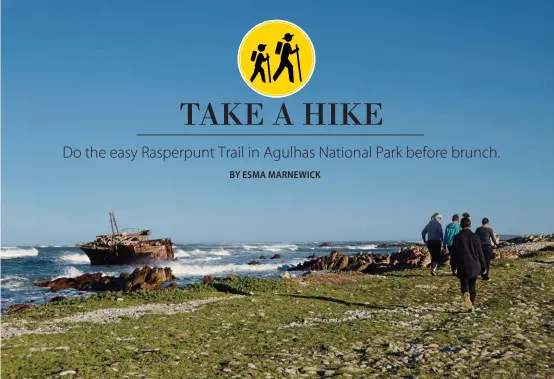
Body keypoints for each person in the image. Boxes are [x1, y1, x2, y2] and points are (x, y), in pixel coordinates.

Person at [451, 216, 487, 312]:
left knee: (464, 284)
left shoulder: (457, 238)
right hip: (475, 265)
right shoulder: (475, 236)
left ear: (461, 225)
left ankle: (466, 294)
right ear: (470, 225)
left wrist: (453, 267)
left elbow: (453, 254)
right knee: (472, 286)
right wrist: (484, 266)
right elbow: (480, 253)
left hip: (462, 265)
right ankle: (471, 305)